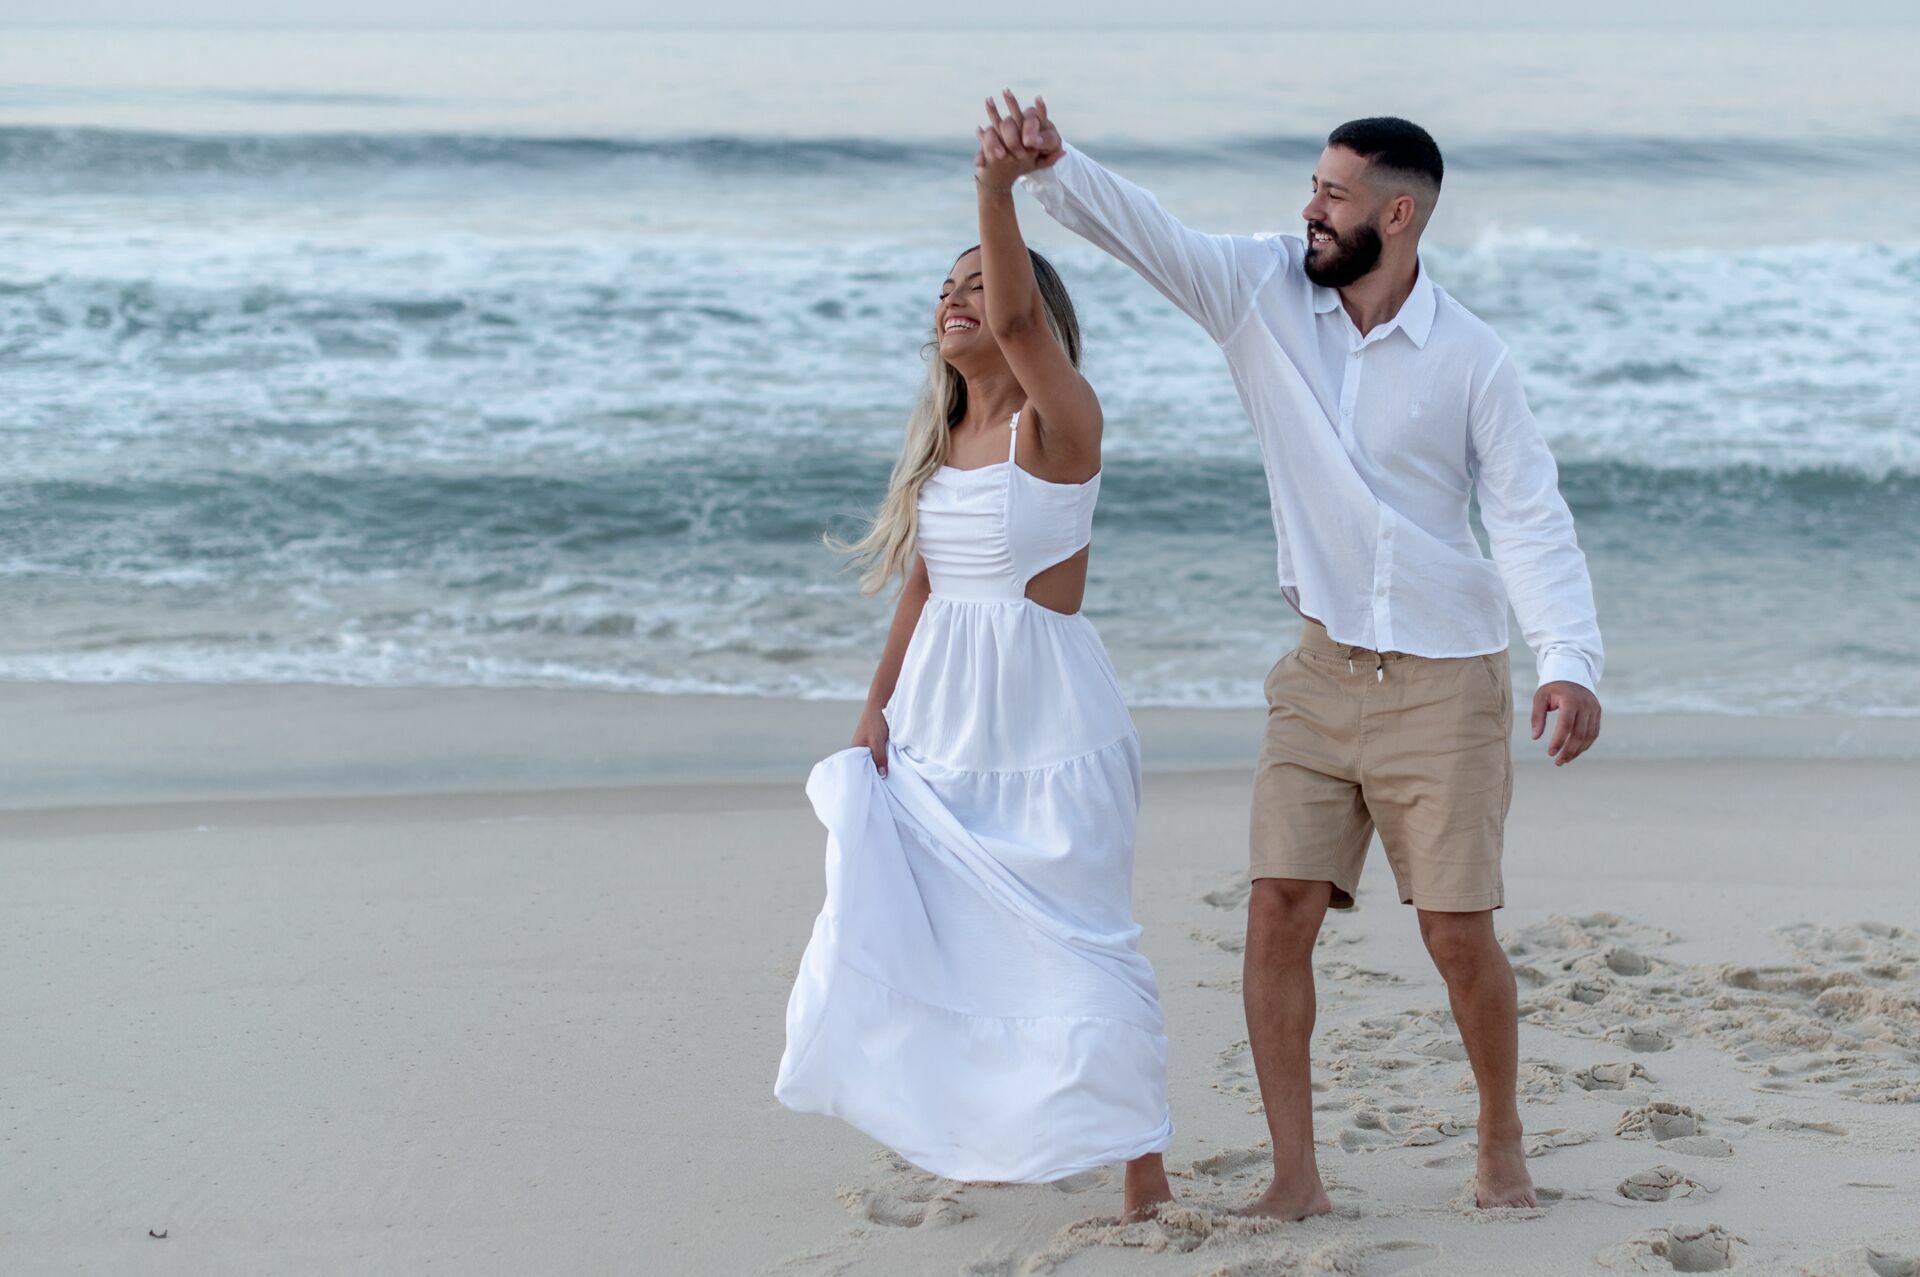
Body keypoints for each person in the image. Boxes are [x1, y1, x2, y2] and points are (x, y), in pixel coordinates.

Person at [981, 94, 1604, 1216]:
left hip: (1446, 677)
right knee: (1276, 907)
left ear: (1398, 215)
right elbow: (1149, 232)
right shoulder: (1260, 290)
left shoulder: (1474, 359)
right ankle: (1297, 1175)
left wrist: (1569, 658)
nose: (1309, 210)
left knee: (1457, 934)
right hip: (1318, 670)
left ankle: (1501, 1134)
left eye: (1333, 194)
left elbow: (1527, 517)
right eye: (1312, 187)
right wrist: (1052, 168)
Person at [774, 93, 1175, 1222]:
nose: (954, 300)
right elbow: (924, 582)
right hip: (944, 714)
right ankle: (983, 1126)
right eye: (942, 287)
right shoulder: (947, 440)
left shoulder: (1061, 421)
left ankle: (1143, 1152)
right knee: (951, 936)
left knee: (1082, 938)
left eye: (974, 284)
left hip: (1048, 721)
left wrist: (996, 190)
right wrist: (874, 709)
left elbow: (1021, 331)